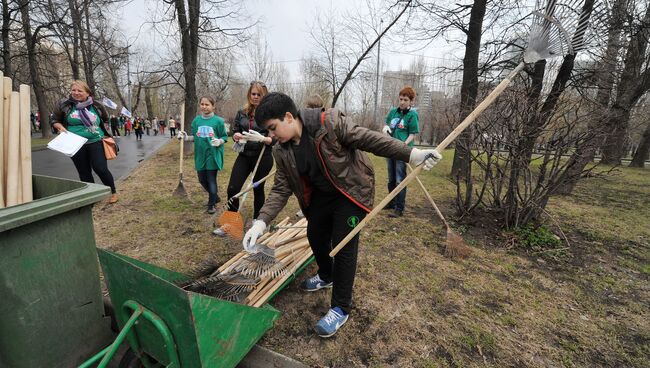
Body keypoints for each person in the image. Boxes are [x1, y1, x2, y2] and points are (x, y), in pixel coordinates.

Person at [241, 92, 441, 337]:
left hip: (351, 191)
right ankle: (327, 275)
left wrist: (412, 154)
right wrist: (261, 222)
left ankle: (340, 308)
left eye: (272, 128)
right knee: (315, 235)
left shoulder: (329, 123)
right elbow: (281, 188)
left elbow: (369, 139)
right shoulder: (282, 150)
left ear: (289, 117)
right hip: (322, 196)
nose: (270, 136)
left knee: (344, 244)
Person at [213, 81, 273, 236]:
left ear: (264, 96)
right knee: (233, 188)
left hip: (263, 155)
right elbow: (235, 131)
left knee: (258, 188)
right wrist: (237, 136)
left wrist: (265, 139)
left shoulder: (270, 114)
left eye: (259, 94)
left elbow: (276, 137)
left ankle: (257, 223)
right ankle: (230, 223)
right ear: (249, 94)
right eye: (253, 94)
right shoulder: (242, 112)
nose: (255, 97)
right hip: (245, 155)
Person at [51, 80, 118, 204]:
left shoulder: (97, 106)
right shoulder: (64, 105)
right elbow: (55, 119)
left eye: (79, 91)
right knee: (84, 172)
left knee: (100, 168)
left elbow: (104, 119)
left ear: (87, 93)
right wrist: (59, 127)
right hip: (75, 144)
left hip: (96, 141)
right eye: (73, 90)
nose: (76, 93)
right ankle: (92, 196)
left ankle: (113, 192)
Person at [178, 96, 228, 214]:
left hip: (212, 154)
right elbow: (196, 137)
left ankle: (211, 205)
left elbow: (225, 137)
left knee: (211, 179)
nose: (204, 107)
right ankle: (215, 196)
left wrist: (219, 141)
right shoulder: (196, 121)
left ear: (213, 106)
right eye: (202, 104)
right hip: (200, 155)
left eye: (207, 104)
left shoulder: (219, 121)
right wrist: (185, 137)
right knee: (201, 179)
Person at [381, 86, 420, 217]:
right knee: (391, 178)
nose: (402, 102)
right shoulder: (393, 112)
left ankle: (399, 208)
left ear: (411, 101)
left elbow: (413, 134)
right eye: (401, 99)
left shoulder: (412, 115)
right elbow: (386, 125)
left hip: (403, 151)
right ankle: (391, 202)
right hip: (390, 149)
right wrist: (385, 129)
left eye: (405, 100)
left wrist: (404, 144)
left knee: (400, 179)